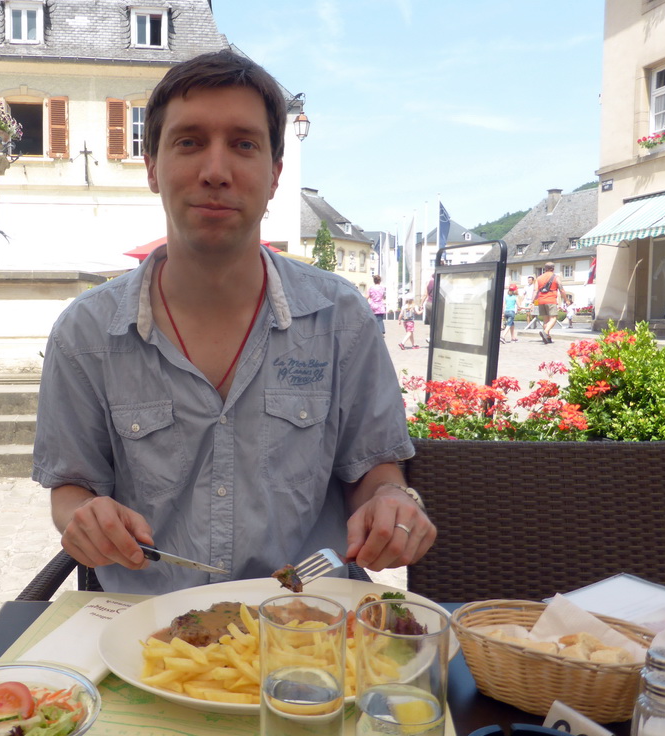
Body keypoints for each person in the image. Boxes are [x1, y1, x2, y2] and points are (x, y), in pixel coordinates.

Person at [31, 50, 433, 595]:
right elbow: (71, 487)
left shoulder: (341, 318)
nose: (215, 171)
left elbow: (375, 470)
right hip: (146, 632)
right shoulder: (86, 334)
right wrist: (81, 517)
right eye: (189, 142)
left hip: (309, 619)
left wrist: (393, 502)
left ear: (274, 174)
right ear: (152, 167)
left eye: (243, 144)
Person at [535, 262, 568, 344]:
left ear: (545, 268)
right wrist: (566, 299)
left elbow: (535, 291)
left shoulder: (539, 278)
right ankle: (546, 332)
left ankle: (547, 337)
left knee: (546, 320)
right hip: (551, 300)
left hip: (541, 300)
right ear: (553, 268)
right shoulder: (556, 277)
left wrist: (534, 302)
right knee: (553, 318)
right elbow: (561, 289)